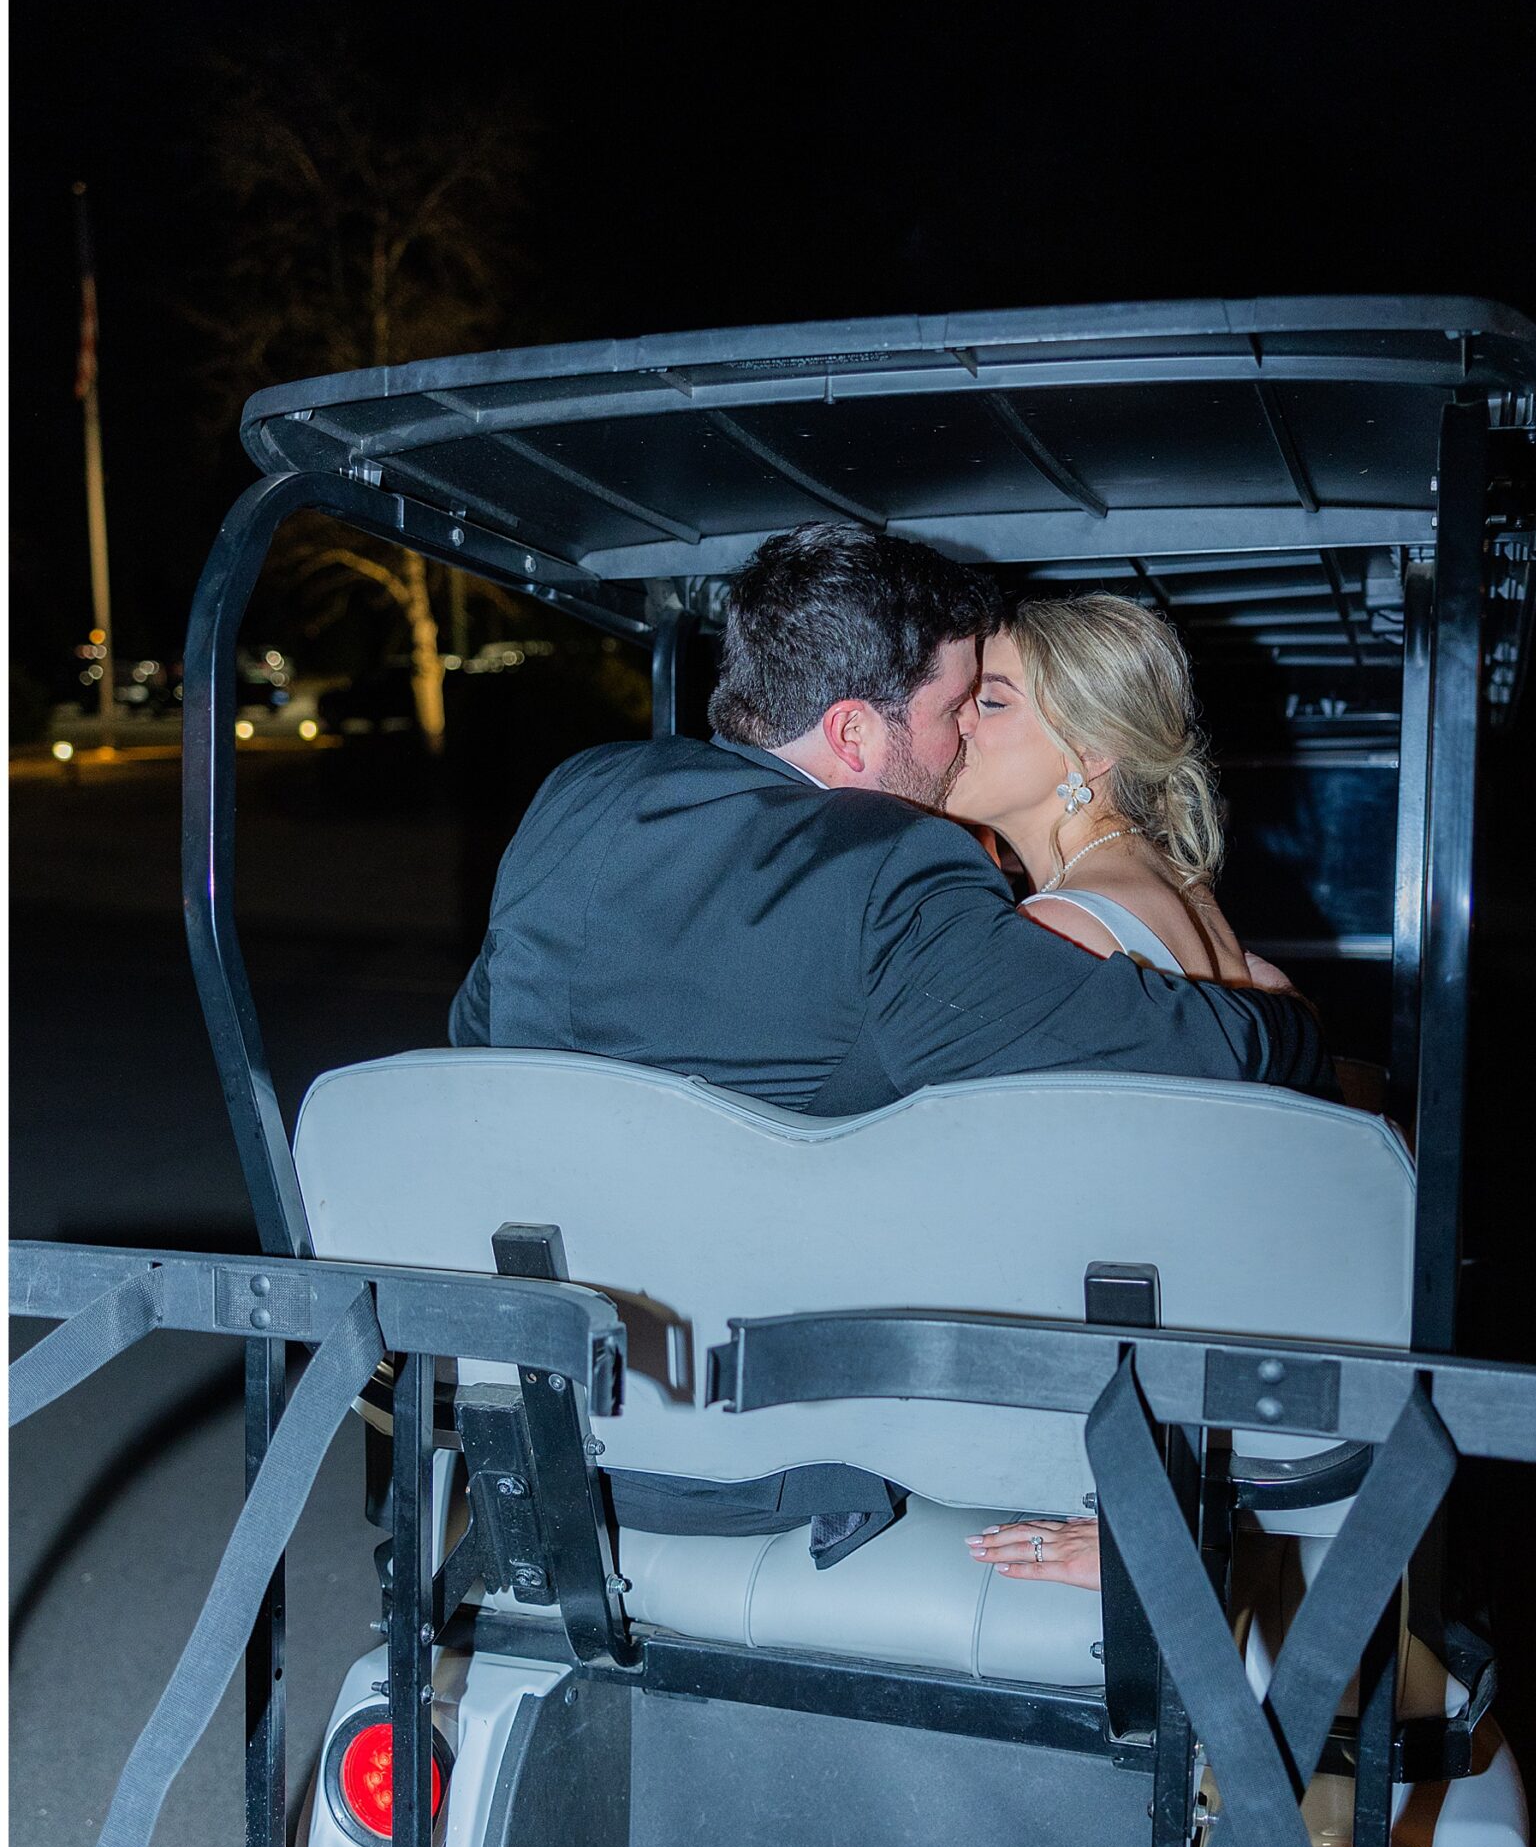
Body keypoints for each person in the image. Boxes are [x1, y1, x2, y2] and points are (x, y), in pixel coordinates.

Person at [448, 522, 1333, 1110]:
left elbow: (479, 1029)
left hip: (529, 1286)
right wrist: (1284, 1014)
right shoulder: (892, 869)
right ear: (854, 730)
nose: (957, 745)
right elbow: (1197, 1056)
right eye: (956, 711)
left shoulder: (581, 791)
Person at [955, 590, 1267, 1594]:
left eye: (990, 700)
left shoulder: (1063, 933)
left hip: (1129, 1415)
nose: (955, 717)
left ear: (1087, 753)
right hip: (1186, 1399)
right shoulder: (1189, 909)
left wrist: (1150, 1505)